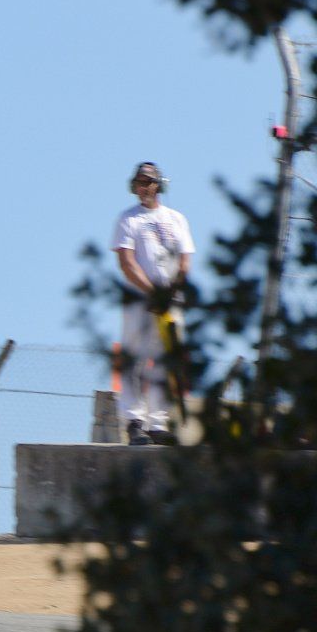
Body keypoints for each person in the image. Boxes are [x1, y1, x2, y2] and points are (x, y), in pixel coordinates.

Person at [109, 161, 194, 445]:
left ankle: (158, 422)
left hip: (170, 301)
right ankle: (134, 420)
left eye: (147, 182)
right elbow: (127, 262)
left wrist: (172, 291)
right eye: (138, 183)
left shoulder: (177, 219)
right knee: (134, 358)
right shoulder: (128, 219)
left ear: (158, 185)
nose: (142, 188)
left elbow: (185, 260)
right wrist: (151, 292)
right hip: (139, 300)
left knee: (163, 360)